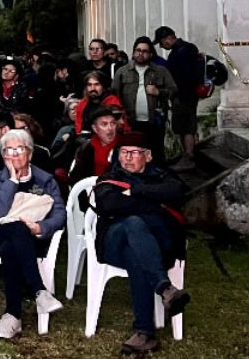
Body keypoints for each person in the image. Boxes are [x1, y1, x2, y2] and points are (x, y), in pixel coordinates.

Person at [92, 132, 189, 355]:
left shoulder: (162, 176)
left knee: (135, 256)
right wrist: (153, 205)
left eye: (134, 153)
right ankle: (165, 288)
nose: (127, 158)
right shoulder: (109, 178)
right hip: (113, 242)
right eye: (123, 152)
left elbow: (177, 192)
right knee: (133, 223)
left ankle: (144, 334)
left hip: (155, 248)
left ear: (148, 156)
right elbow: (110, 204)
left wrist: (136, 191)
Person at [0, 129, 66, 339]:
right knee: (16, 226)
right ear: (3, 156)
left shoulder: (45, 181)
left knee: (12, 247)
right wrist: (13, 181)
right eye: (9, 150)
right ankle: (39, 291)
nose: (15, 154)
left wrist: (41, 228)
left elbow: (59, 213)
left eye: (20, 149)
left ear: (30, 153)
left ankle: (12, 316)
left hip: (32, 239)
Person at [111, 37, 177, 156]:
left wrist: (159, 92)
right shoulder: (122, 71)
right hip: (131, 122)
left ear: (151, 54)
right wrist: (117, 119)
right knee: (133, 153)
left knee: (155, 154)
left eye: (145, 51)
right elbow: (114, 96)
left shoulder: (160, 71)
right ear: (133, 52)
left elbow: (173, 90)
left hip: (155, 121)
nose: (141, 54)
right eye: (138, 50)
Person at [154, 26, 201, 170]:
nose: (162, 45)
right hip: (185, 94)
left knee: (186, 127)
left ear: (168, 38)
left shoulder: (181, 51)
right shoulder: (186, 49)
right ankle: (187, 155)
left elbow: (185, 76)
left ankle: (189, 156)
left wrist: (179, 94)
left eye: (162, 42)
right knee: (183, 126)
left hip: (184, 95)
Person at [69, 107, 124, 184]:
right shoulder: (86, 148)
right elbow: (75, 177)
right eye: (104, 124)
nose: (110, 128)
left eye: (113, 123)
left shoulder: (124, 147)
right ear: (95, 128)